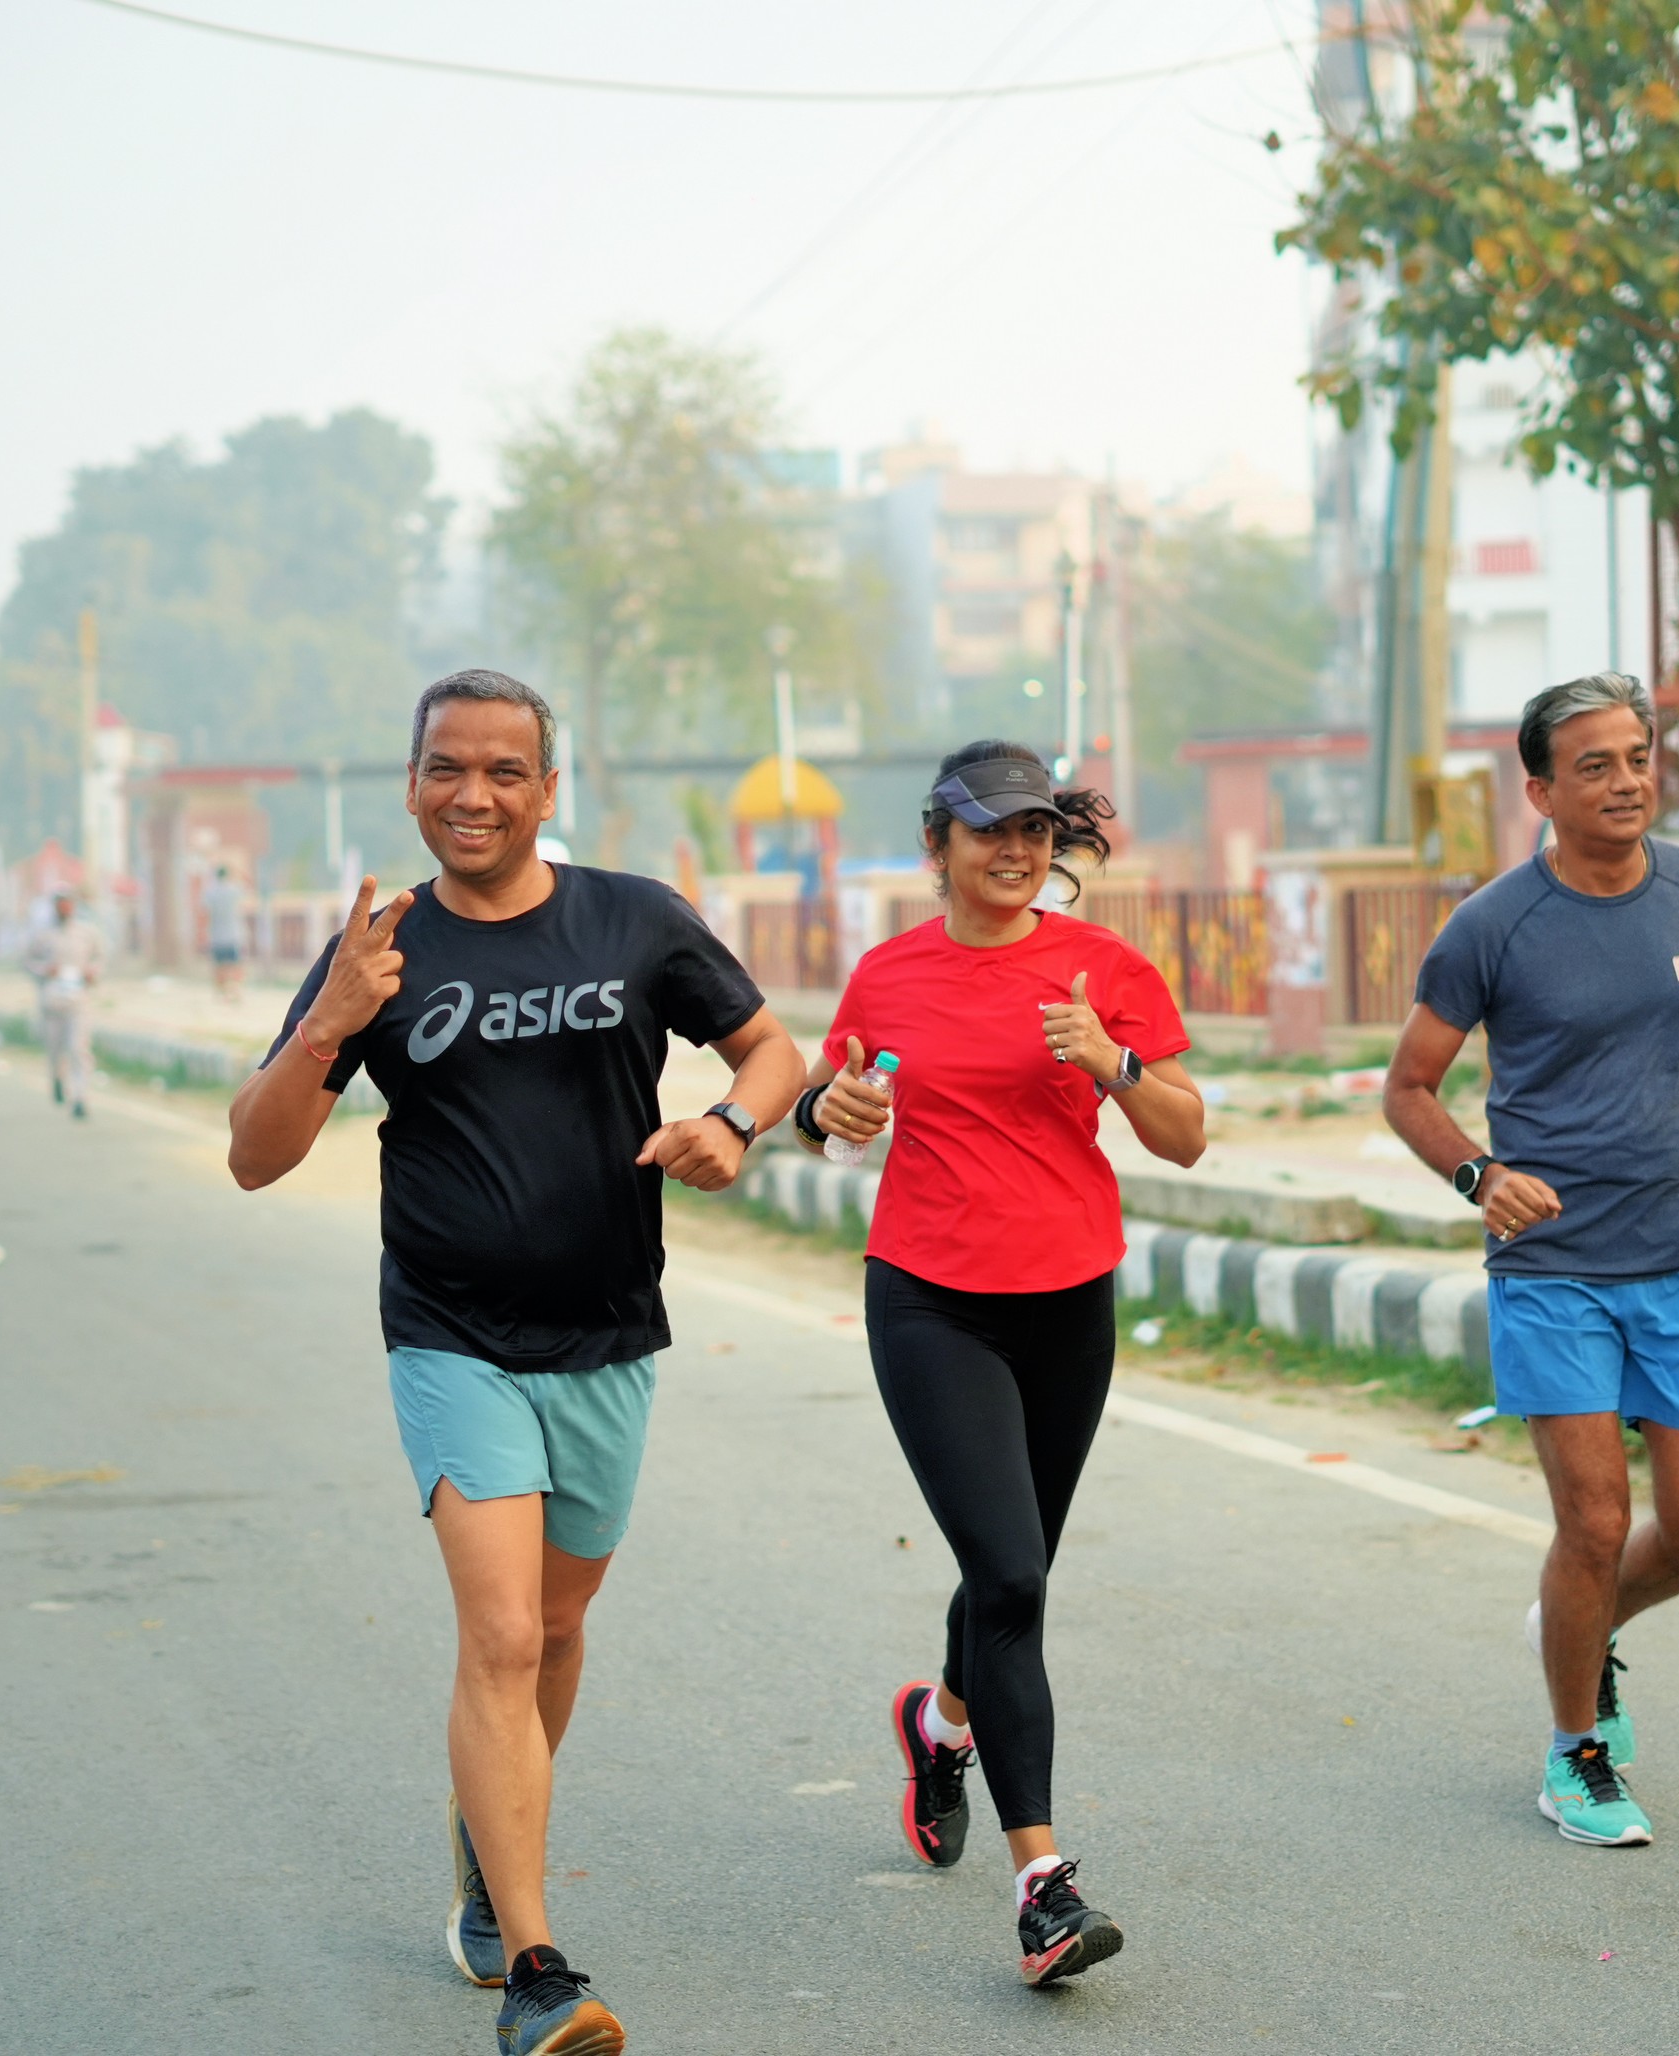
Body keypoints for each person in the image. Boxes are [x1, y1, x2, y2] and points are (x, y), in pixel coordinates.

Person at [226, 668, 801, 2056]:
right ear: (411, 783)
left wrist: (732, 1123)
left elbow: (772, 1049)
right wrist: (332, 1020)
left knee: (553, 1627)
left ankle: (491, 1842)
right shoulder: (378, 950)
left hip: (609, 1333)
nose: (471, 795)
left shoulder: (634, 919)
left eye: (502, 771)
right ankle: (539, 1969)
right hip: (450, 1334)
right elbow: (254, 1154)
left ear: (547, 790)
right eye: (446, 768)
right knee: (496, 1633)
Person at [794, 742, 1205, 1988]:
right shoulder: (890, 973)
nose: (1016, 851)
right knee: (1014, 1573)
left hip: (1069, 1301)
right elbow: (829, 1104)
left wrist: (1109, 1061)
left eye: (1035, 831)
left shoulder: (1104, 970)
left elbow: (1186, 1135)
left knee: (1009, 1571)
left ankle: (942, 1722)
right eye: (989, 831)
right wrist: (832, 1114)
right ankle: (1045, 1888)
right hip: (930, 1300)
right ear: (939, 845)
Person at [1380, 673, 1679, 1849]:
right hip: (1550, 1266)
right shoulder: (1493, 926)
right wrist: (1478, 1174)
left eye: (1638, 757)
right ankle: (1575, 1754)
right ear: (1543, 791)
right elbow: (1409, 1087)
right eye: (1594, 765)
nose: (1625, 781)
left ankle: (1582, 1626)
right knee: (1595, 1522)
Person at [22, 891, 106, 1118]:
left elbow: (99, 958)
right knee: (55, 1048)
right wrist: (44, 970)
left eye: (68, 905)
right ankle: (57, 1080)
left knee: (78, 1048)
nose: (65, 909)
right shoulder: (43, 935)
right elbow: (27, 961)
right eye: (61, 905)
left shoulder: (87, 933)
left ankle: (80, 1097)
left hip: (78, 1000)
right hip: (52, 1000)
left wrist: (92, 973)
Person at [204, 865, 248, 1001]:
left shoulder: (210, 892)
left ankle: (221, 992)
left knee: (219, 966)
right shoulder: (233, 890)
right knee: (235, 964)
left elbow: (205, 912)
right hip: (233, 933)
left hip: (217, 934)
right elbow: (246, 889)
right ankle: (235, 991)